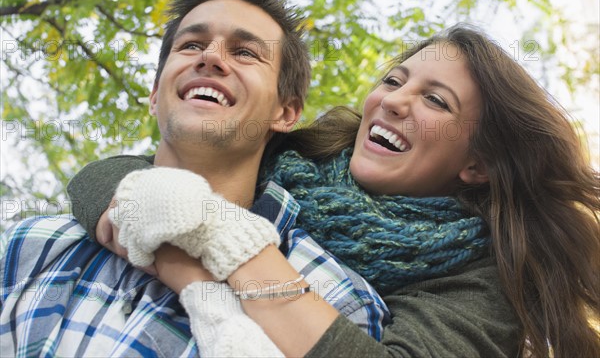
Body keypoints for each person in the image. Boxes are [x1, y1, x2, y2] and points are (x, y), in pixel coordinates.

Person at [71, 25, 599, 357]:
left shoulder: (483, 280)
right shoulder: (299, 157)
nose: (393, 102)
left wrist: (223, 237)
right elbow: (111, 179)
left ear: (477, 165)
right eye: (394, 81)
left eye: (435, 101)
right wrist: (191, 276)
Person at [0, 0, 390, 357]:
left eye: (245, 52)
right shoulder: (33, 246)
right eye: (191, 45)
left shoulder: (336, 296)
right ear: (155, 95)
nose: (211, 58)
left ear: (286, 113)